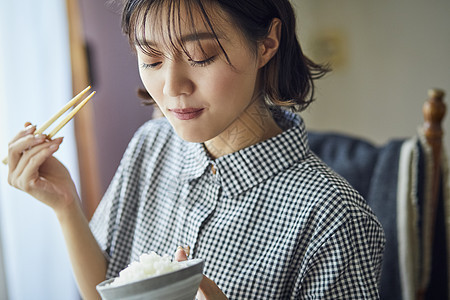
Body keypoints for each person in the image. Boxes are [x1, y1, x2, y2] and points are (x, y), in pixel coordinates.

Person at [6, 0, 385, 299]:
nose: (172, 86)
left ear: (267, 43)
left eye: (202, 55)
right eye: (151, 59)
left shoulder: (333, 216)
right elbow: (107, 292)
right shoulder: (150, 146)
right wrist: (66, 204)